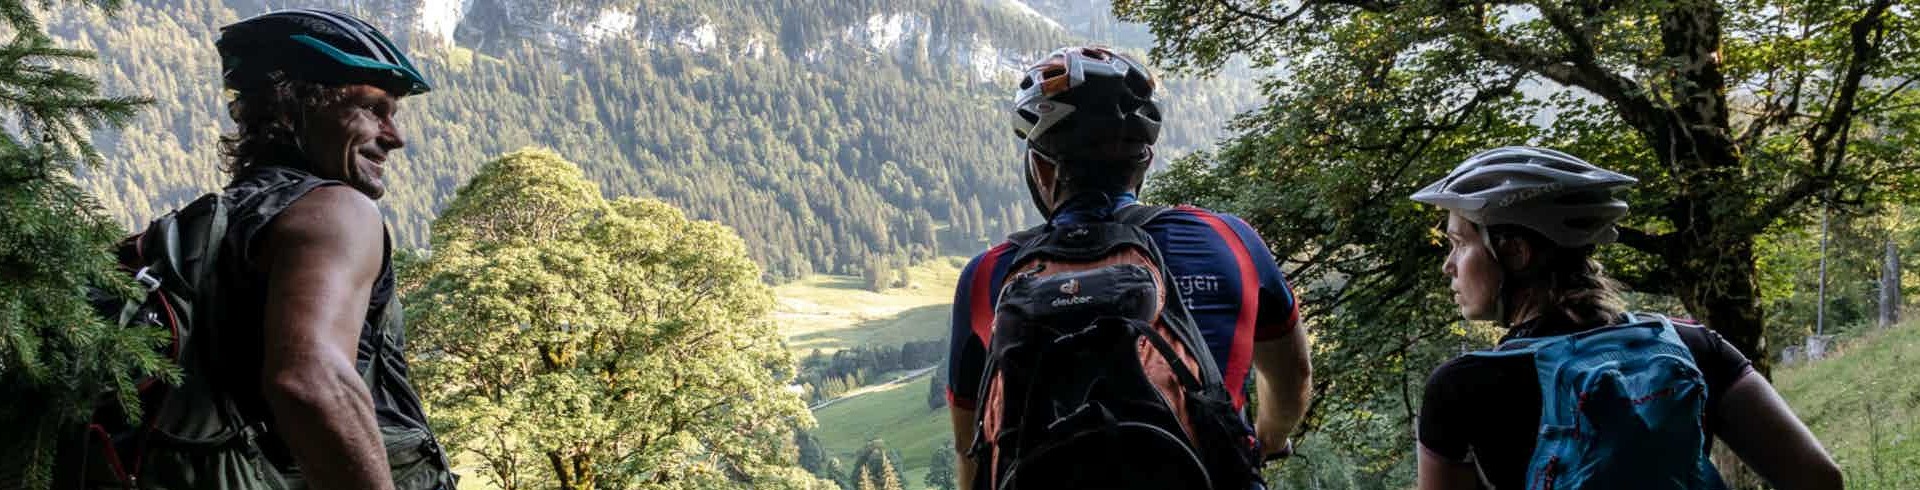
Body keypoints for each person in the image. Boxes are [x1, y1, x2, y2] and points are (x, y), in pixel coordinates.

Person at [944, 46, 1313, 490]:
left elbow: (972, 446)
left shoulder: (987, 276)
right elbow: (1293, 376)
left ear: (1041, 170)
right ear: (1144, 162)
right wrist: (1266, 439)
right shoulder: (1228, 240)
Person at [1411, 146, 1843, 490]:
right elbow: (1820, 479)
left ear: (1515, 252)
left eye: (1459, 243)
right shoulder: (1693, 347)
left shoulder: (1461, 388)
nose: (1449, 265)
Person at [201, 8, 453, 488]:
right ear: (295, 105)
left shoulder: (225, 222)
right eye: (371, 108)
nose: (395, 137)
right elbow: (310, 380)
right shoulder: (338, 213)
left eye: (393, 114)